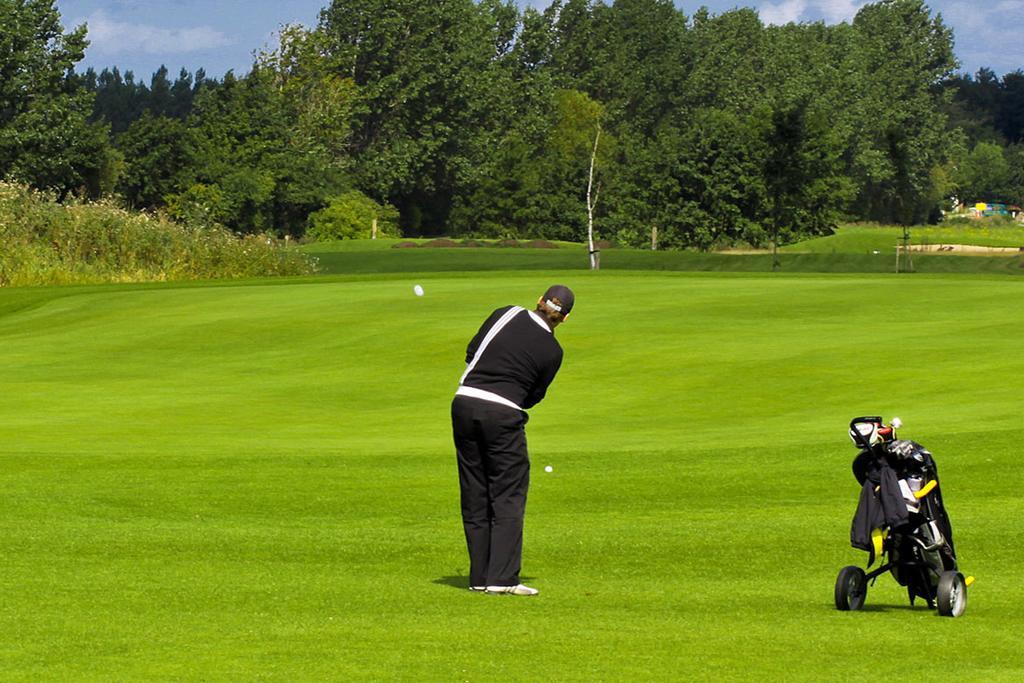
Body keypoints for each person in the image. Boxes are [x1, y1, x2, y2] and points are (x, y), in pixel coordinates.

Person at [451, 285, 574, 596]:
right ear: (565, 318)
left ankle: (480, 577)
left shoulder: (505, 313)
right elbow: (533, 396)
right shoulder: (553, 351)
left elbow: (472, 353)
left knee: (475, 489)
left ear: (539, 301)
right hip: (503, 412)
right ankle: (502, 579)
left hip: (464, 403)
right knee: (508, 493)